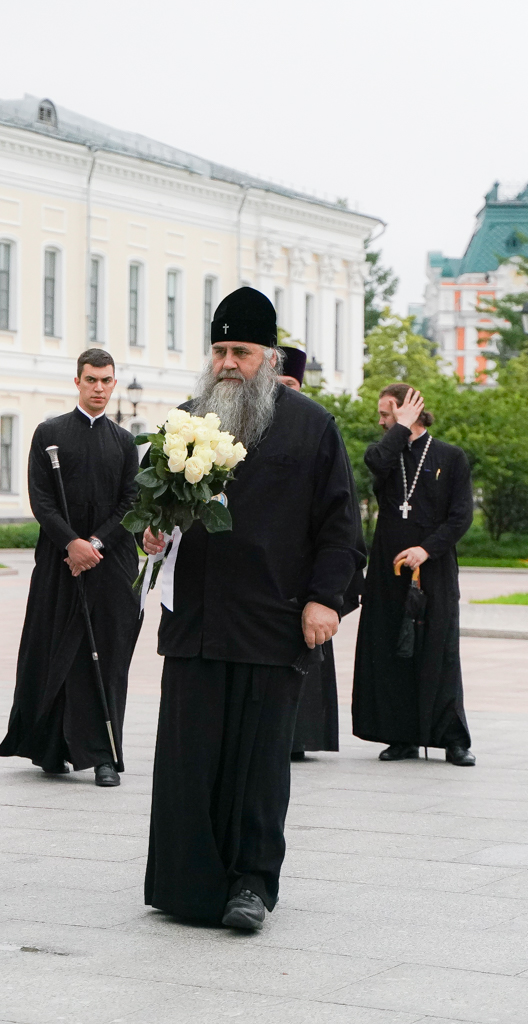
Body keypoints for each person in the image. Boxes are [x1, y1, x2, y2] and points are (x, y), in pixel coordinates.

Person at [141, 286, 364, 931]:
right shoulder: (184, 422)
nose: (227, 363)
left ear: (269, 357)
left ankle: (250, 886)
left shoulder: (312, 427)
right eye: (219, 350)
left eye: (241, 351)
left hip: (272, 622)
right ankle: (185, 884)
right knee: (189, 759)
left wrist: (326, 599)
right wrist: (150, 533)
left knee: (259, 764)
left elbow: (338, 528)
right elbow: (152, 511)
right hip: (196, 625)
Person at [0, 348, 141, 787]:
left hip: (110, 562)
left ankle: (102, 755)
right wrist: (71, 543)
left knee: (107, 655)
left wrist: (94, 543)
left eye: (106, 381)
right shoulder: (49, 433)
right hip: (59, 561)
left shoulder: (125, 441)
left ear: (114, 385)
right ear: (77, 381)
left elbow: (131, 502)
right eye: (91, 379)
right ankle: (51, 748)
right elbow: (40, 499)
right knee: (53, 647)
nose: (99, 388)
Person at [351, 383, 475, 766]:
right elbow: (375, 463)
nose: (380, 420)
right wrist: (399, 429)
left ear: (409, 412)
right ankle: (399, 735)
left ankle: (452, 740)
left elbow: (461, 517)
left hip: (433, 569)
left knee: (438, 649)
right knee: (390, 648)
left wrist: (426, 549)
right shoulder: (386, 453)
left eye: (386, 414)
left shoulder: (450, 458)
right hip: (389, 568)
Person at [274, 344, 344, 760]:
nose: (286, 392)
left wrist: (326, 594)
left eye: (292, 385)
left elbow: (337, 516)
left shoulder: (316, 428)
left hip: (305, 574)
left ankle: (307, 736)